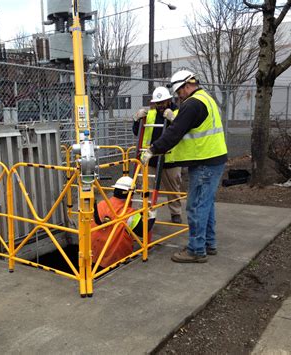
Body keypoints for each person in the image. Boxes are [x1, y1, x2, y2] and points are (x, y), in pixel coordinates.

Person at [141, 70, 227, 263]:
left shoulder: (192, 104)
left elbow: (175, 132)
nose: (178, 96)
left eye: (179, 92)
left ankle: (196, 250)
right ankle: (208, 244)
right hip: (213, 158)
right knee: (206, 205)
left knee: (196, 206)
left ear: (187, 86)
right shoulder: (206, 98)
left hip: (205, 161)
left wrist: (152, 150)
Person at [133, 86, 183, 224]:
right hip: (151, 158)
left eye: (162, 103)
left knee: (173, 188)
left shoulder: (179, 113)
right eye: (157, 103)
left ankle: (176, 213)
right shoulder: (151, 114)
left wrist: (173, 119)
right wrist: (137, 120)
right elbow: (138, 132)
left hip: (171, 159)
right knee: (146, 189)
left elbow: (183, 131)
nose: (160, 106)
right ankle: (147, 214)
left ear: (168, 100)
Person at [91, 176, 156, 268]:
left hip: (94, 254)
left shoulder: (101, 204)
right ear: (130, 194)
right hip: (116, 259)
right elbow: (143, 232)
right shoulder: (130, 213)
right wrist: (152, 216)